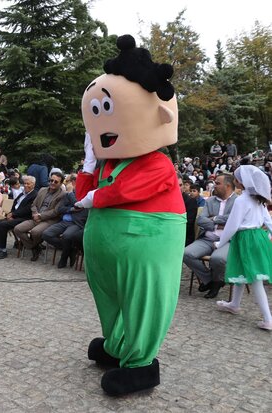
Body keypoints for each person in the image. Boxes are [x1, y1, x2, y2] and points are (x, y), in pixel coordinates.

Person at [75, 35, 184, 396]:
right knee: (110, 295)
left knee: (142, 297)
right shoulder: (109, 163)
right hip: (107, 246)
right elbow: (83, 197)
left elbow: (120, 193)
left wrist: (96, 196)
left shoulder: (158, 162)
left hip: (146, 239)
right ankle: (117, 344)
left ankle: (140, 365)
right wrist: (89, 166)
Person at [215, 166, 272, 330]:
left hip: (246, 239)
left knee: (255, 279)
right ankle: (234, 303)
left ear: (243, 182)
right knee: (243, 271)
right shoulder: (258, 199)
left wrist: (221, 242)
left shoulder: (242, 200)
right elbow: (268, 221)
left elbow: (232, 226)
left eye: (236, 179)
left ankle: (268, 318)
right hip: (257, 238)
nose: (234, 181)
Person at [183, 174, 238, 298]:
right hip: (207, 238)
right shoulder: (211, 200)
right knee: (186, 253)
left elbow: (235, 219)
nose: (214, 186)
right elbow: (200, 220)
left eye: (218, 183)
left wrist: (215, 218)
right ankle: (212, 281)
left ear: (227, 186)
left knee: (217, 259)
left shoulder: (238, 201)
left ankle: (215, 282)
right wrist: (218, 224)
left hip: (228, 240)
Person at [13, 172, 65, 261]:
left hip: (49, 220)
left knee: (35, 232)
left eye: (56, 182)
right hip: (35, 217)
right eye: (51, 180)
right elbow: (33, 204)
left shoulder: (63, 194)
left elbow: (56, 211)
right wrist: (35, 213)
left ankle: (33, 247)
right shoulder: (42, 190)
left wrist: (40, 216)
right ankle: (35, 247)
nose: (52, 183)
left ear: (60, 183)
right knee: (18, 229)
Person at [0, 176, 38, 259]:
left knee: (3, 225)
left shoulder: (34, 195)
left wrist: (13, 215)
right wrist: (11, 212)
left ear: (33, 185)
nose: (25, 185)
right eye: (24, 183)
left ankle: (3, 250)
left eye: (28, 184)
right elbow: (14, 204)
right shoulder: (22, 193)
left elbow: (27, 209)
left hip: (24, 218)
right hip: (15, 215)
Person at [41, 184, 88, 268]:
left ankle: (63, 258)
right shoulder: (69, 195)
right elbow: (60, 208)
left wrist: (71, 196)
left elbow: (79, 206)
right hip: (64, 221)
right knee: (46, 234)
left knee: (67, 236)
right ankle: (70, 249)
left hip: (76, 223)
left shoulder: (87, 196)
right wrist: (70, 209)